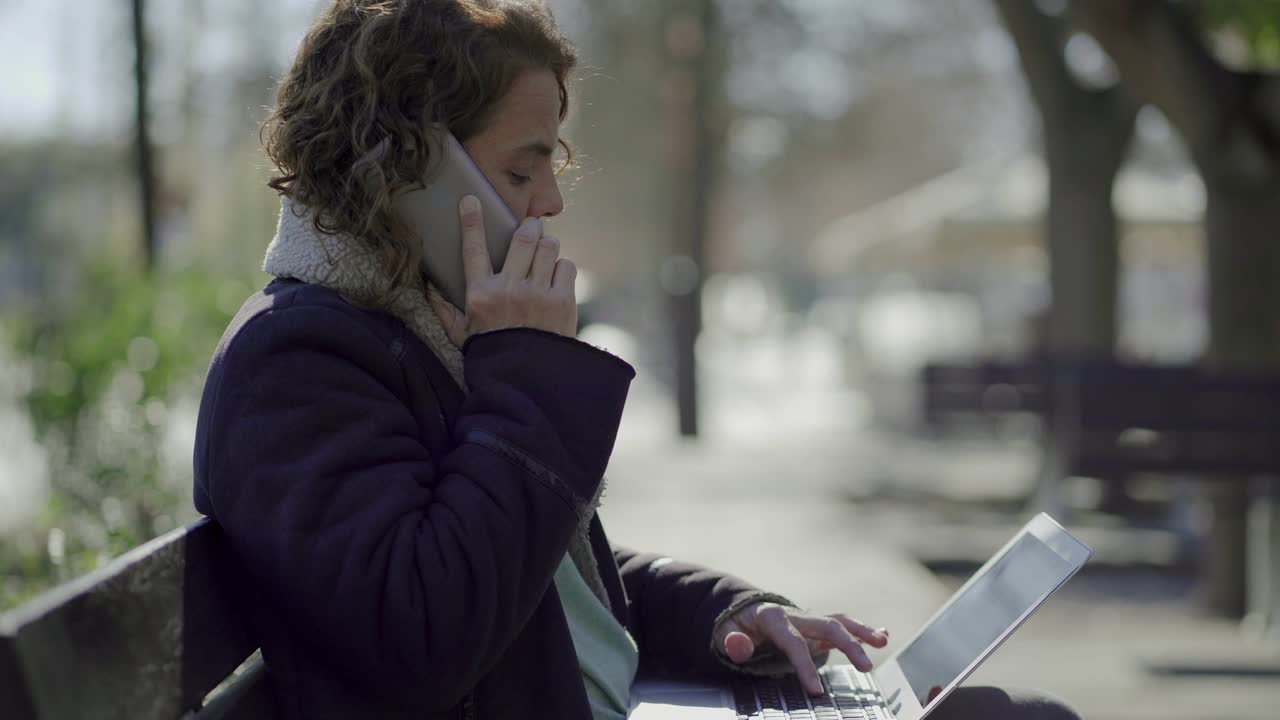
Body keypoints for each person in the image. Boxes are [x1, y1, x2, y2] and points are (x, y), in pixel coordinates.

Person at [192, 1, 1082, 718]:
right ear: (410, 171)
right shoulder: (297, 361)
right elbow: (426, 638)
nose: (549, 203)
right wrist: (525, 368)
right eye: (522, 170)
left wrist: (729, 615)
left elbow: (550, 587)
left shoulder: (419, 333)